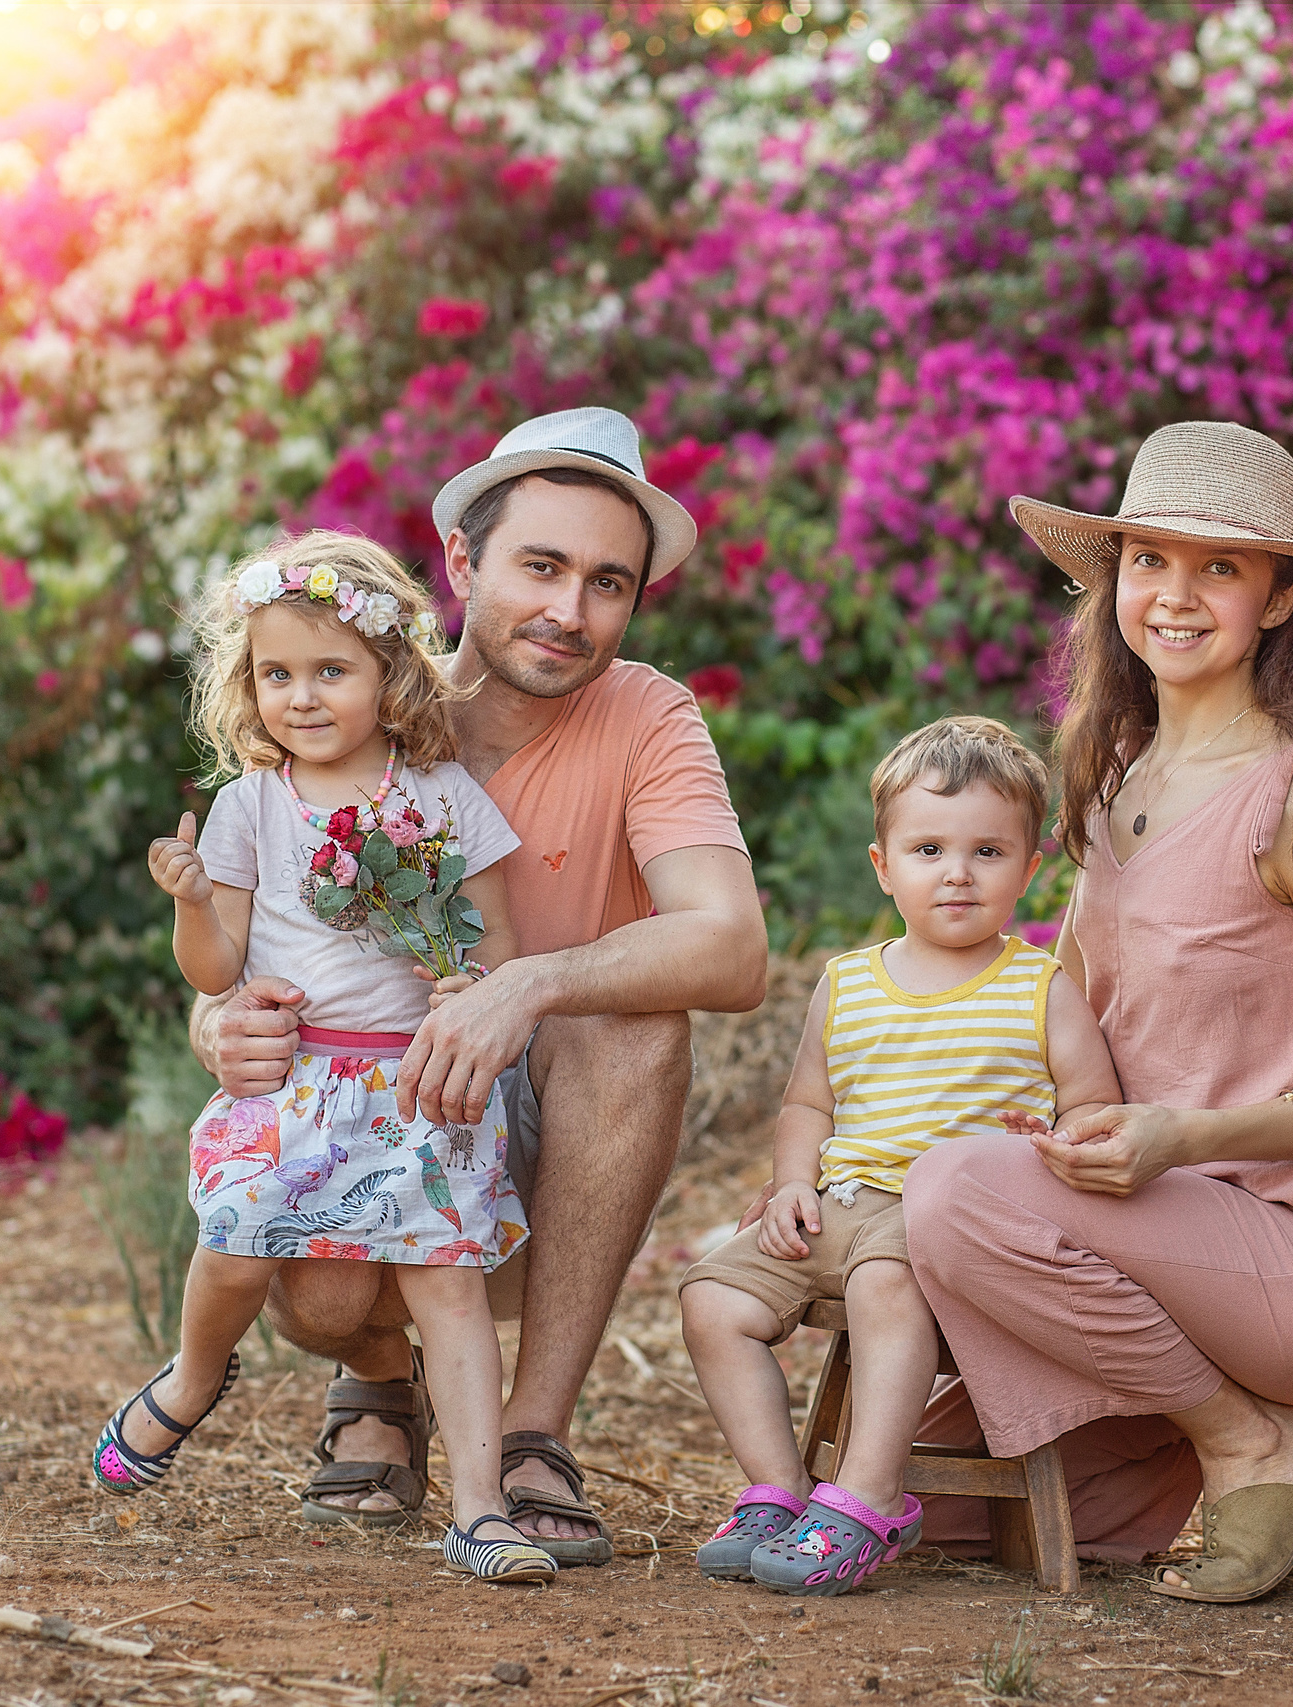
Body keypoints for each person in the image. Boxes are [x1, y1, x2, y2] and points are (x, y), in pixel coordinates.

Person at [190, 408, 767, 1560]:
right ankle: (377, 1378)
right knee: (323, 1300)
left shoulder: (646, 714)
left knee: (635, 1025)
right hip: (360, 1098)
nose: (571, 611)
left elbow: (734, 949)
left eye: (609, 583)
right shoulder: (346, 701)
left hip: (538, 1115)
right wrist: (216, 1018)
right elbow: (241, 928)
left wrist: (530, 983)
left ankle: (528, 1436)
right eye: (541, 566)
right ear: (461, 561)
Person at [902, 419, 1293, 1604]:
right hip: (1161, 1230)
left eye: (1219, 568)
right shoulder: (1110, 784)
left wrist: (1186, 1135)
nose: (1175, 596)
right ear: (1114, 583)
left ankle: (1253, 1437)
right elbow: (1079, 1035)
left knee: (953, 1197)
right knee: (940, 1506)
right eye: (1148, 560)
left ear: (1281, 597)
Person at [96, 531, 554, 1584]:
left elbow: (496, 940)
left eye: (330, 670)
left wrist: (472, 985)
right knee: (241, 1238)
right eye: (275, 673)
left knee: (446, 1286)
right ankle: (191, 1378)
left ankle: (481, 1509)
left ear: (389, 674)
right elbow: (215, 970)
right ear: (247, 685)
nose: (299, 696)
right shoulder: (253, 804)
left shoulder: (438, 796)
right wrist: (192, 902)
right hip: (297, 1080)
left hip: (418, 1086)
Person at [679, 718, 1122, 1595]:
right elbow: (809, 1101)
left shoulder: (1039, 987)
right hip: (841, 1200)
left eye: (988, 851)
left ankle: (873, 1495)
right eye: (928, 848)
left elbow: (1095, 1102)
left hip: (945, 1219)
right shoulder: (847, 983)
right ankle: (782, 1491)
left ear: (1029, 868)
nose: (957, 872)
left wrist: (1060, 1145)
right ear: (885, 867)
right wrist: (790, 1184)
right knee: (712, 1296)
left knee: (888, 1282)